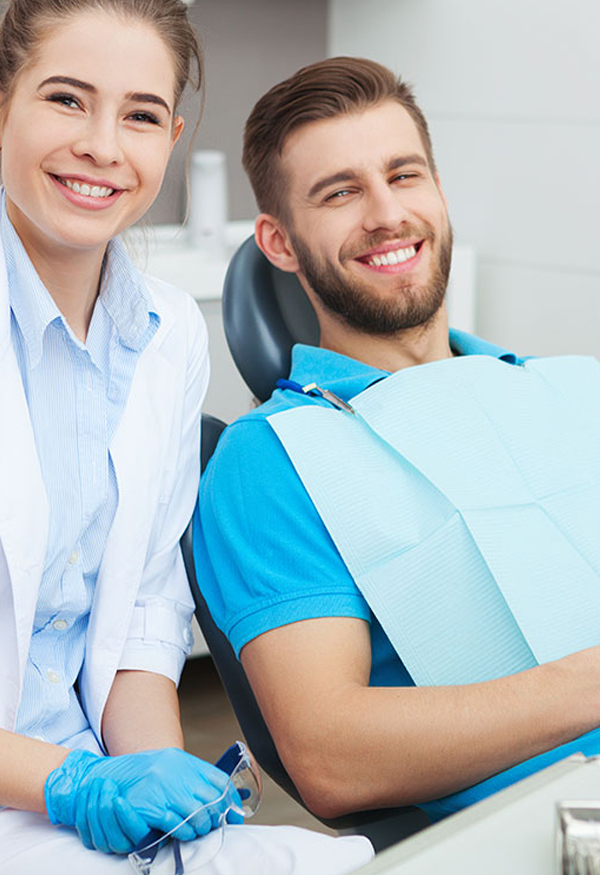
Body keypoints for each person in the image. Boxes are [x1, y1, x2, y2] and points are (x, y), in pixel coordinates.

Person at [0, 5, 373, 872]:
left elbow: (142, 611)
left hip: (80, 787)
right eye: (66, 99)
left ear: (170, 138)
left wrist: (163, 805)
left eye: (139, 115)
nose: (102, 146)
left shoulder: (166, 336)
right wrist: (71, 784)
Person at [195, 55, 600, 829]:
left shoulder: (570, 389)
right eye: (340, 192)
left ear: (439, 193)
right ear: (279, 242)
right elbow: (330, 755)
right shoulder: (271, 459)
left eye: (404, 176)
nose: (386, 213)